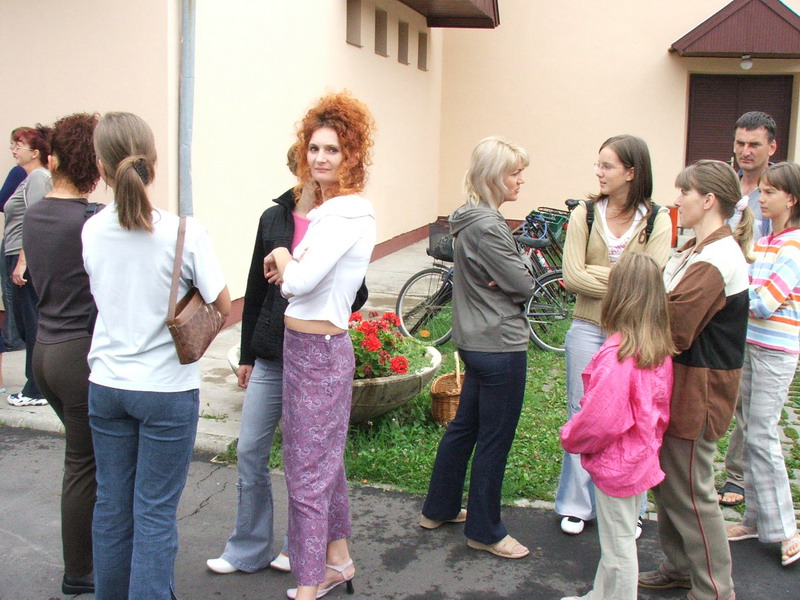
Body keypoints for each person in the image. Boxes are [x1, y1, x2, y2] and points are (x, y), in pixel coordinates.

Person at [82, 112, 230, 599]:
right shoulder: (185, 232)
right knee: (154, 513)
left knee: (112, 506)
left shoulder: (91, 231)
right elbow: (223, 305)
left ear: (101, 167)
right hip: (166, 389)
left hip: (107, 385)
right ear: (154, 161)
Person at [263, 92, 376, 600]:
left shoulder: (346, 213)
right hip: (305, 349)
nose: (320, 158)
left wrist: (283, 256)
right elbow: (300, 279)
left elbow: (300, 282)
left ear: (352, 155)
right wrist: (289, 266)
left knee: (306, 473)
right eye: (314, 148)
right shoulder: (330, 212)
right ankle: (338, 560)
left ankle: (308, 585)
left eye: (332, 149)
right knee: (322, 464)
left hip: (320, 354)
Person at [638, 160, 752, 600]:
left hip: (699, 390)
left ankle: (714, 588)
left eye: (684, 192)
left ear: (708, 200)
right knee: (671, 485)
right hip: (683, 384)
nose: (676, 200)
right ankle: (680, 568)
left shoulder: (717, 257)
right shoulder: (698, 250)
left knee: (692, 491)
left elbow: (677, 327)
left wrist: (637, 310)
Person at [419, 136, 534, 560]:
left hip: (475, 341)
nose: (521, 180)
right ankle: (485, 531)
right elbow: (525, 284)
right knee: (493, 441)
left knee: (465, 427)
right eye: (515, 172)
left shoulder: (468, 219)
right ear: (494, 176)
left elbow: (509, 279)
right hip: (499, 344)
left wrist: (506, 275)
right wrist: (514, 272)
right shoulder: (489, 225)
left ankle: (439, 508)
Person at [556, 135, 672, 535]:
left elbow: (652, 280)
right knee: (582, 413)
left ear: (631, 172)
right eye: (599, 164)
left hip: (633, 335)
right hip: (587, 327)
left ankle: (632, 507)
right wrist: (627, 279)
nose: (599, 172)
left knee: (635, 419)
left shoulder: (658, 219)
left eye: (607, 166)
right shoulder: (584, 214)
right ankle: (577, 505)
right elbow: (571, 276)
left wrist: (596, 274)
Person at [560, 252, 674, 600]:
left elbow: (600, 419)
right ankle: (601, 595)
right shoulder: (655, 348)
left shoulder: (618, 354)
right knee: (617, 538)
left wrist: (570, 435)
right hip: (640, 456)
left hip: (617, 463)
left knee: (618, 545)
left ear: (618, 297)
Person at [22, 113, 101, 595]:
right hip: (79, 355)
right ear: (95, 164)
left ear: (53, 160)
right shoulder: (90, 222)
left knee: (83, 462)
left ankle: (90, 559)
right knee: (85, 466)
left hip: (44, 351)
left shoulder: (35, 214)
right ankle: (81, 571)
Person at [724, 161, 800, 567]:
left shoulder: (794, 246)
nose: (761, 197)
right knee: (751, 434)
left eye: (770, 192)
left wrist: (735, 296)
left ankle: (787, 530)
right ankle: (755, 519)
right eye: (762, 190)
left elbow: (765, 302)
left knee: (764, 436)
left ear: (792, 199)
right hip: (751, 345)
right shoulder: (768, 240)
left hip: (775, 352)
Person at [719, 110, 779, 508]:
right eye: (740, 143)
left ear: (772, 147)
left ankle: (737, 476)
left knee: (749, 397)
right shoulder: (724, 185)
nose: (745, 151)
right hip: (719, 296)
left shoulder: (778, 191)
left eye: (754, 144)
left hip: (757, 304)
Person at [4, 125, 52, 406]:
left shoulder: (37, 178)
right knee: (25, 324)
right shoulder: (29, 178)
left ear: (35, 152)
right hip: (16, 255)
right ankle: (36, 385)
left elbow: (35, 223)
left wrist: (22, 263)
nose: (13, 150)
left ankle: (36, 389)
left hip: (23, 258)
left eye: (18, 145)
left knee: (31, 323)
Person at [1, 129, 29, 353]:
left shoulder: (22, 173)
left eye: (17, 146)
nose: (13, 150)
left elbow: (2, 201)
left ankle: (14, 341)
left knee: (12, 294)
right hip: (19, 242)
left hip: (16, 244)